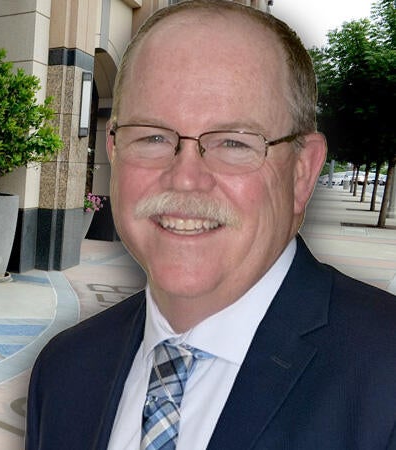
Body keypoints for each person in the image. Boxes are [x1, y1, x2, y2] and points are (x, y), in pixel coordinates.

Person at [26, 2, 396, 449]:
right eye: (153, 136)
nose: (185, 178)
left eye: (234, 143)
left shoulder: (385, 377)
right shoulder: (62, 371)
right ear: (114, 151)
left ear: (302, 171)